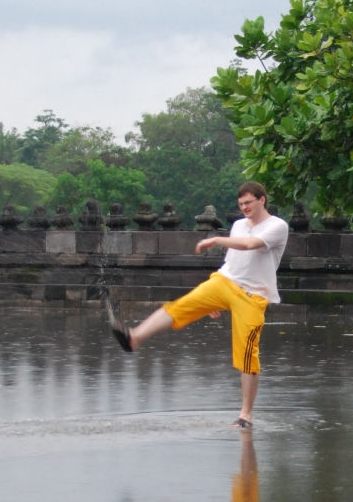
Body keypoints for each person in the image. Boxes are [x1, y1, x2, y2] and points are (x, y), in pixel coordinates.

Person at [109, 181, 289, 427]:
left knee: (248, 353)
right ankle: (134, 337)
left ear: (262, 200)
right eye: (241, 204)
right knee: (182, 305)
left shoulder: (277, 226)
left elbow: (249, 245)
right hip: (224, 283)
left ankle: (245, 414)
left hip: (253, 295)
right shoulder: (237, 225)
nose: (244, 207)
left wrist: (216, 239)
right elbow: (233, 263)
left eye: (248, 202)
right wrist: (213, 299)